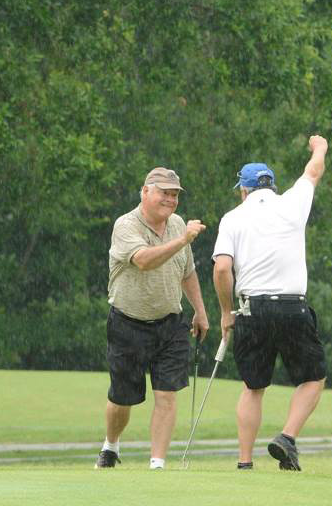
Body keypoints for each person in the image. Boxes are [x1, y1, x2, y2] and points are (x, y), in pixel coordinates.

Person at [212, 135, 328, 471]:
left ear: (243, 190)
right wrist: (319, 147)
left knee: (253, 386)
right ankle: (287, 438)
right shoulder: (293, 202)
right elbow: (314, 171)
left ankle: (245, 462)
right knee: (313, 378)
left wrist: (225, 312)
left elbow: (221, 268)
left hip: (252, 309)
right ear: (272, 186)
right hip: (293, 307)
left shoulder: (232, 218)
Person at [95, 167, 209, 470]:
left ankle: (157, 464)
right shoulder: (125, 225)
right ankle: (111, 445)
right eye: (164, 192)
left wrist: (199, 309)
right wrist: (183, 239)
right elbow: (144, 260)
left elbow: (187, 272)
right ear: (145, 192)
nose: (170, 199)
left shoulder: (177, 224)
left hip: (171, 323)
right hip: (128, 322)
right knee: (122, 398)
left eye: (174, 195)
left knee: (167, 394)